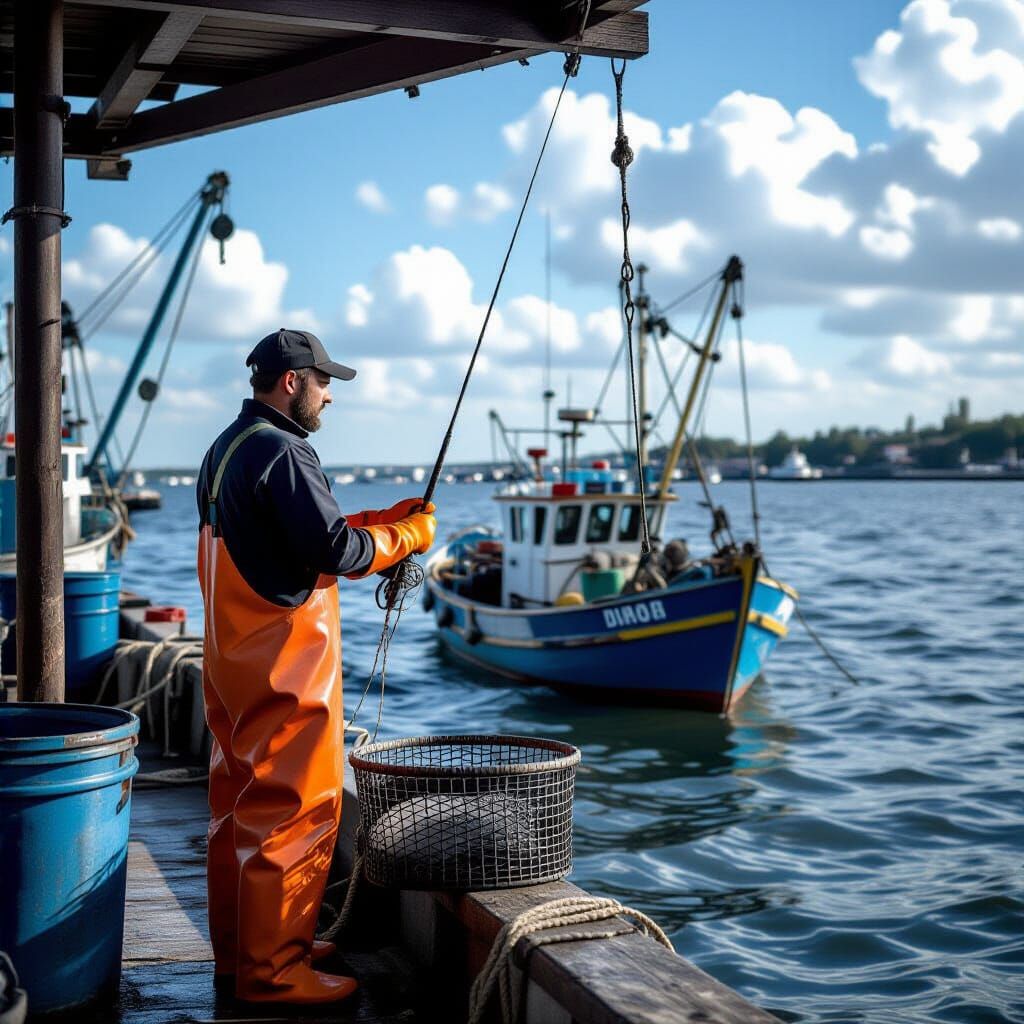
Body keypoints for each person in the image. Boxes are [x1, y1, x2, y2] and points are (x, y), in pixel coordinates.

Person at [195, 328, 436, 1005]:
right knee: (292, 813)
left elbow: (290, 537)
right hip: (285, 672)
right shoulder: (286, 450)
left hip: (233, 669)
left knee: (238, 813)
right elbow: (333, 550)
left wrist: (375, 522)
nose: (331, 396)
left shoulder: (227, 450)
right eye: (324, 381)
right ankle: (273, 975)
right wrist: (407, 535)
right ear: (291, 382)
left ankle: (244, 953)